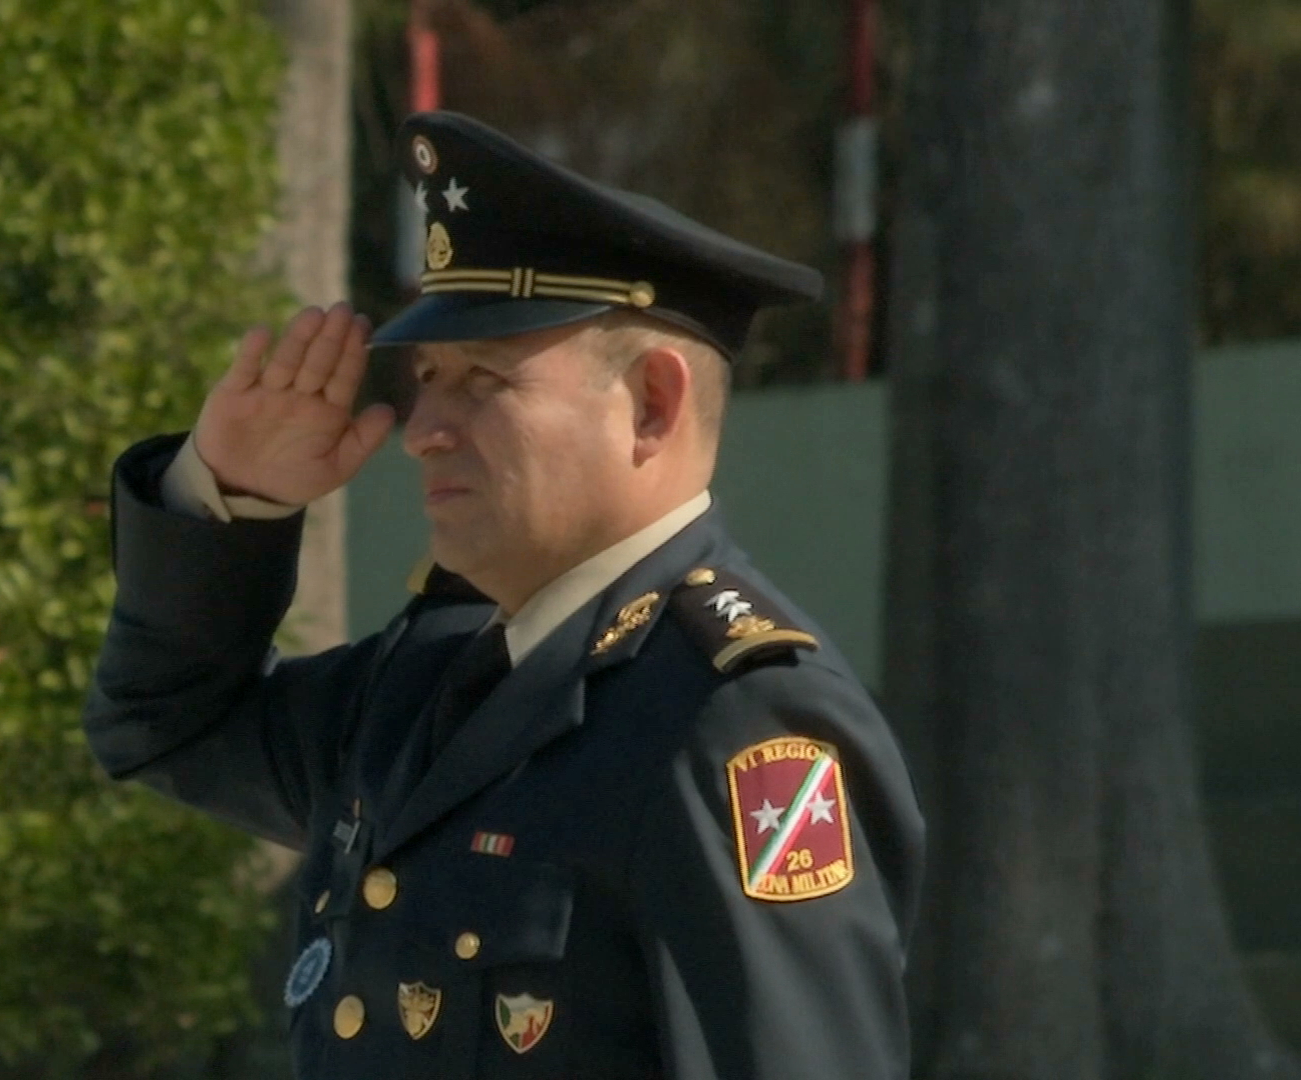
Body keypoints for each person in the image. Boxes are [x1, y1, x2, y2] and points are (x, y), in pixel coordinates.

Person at [82, 111, 924, 1079]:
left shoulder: (731, 718)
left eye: (481, 381)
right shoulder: (430, 680)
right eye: (425, 378)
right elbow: (162, 725)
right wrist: (225, 494)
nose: (422, 430)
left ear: (652, 403)